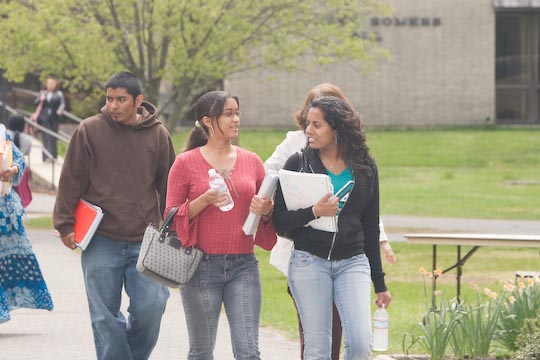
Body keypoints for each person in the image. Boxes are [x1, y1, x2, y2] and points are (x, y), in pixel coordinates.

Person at [265, 83, 396, 359]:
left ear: (336, 129)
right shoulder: (297, 163)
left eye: (316, 125)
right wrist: (313, 211)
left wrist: (380, 282)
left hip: (353, 262)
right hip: (308, 261)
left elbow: (370, 228)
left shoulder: (365, 167)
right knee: (318, 349)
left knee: (360, 345)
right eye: (308, 124)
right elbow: (281, 223)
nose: (308, 130)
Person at [53, 72, 176, 360]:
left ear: (138, 100)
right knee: (104, 319)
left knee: (152, 308)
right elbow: (71, 180)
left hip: (144, 241)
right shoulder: (89, 130)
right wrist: (65, 224)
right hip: (100, 239)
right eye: (109, 99)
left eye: (121, 99)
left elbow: (170, 185)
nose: (114, 106)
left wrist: (174, 229)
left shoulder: (158, 134)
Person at [165, 90, 277, 359]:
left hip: (243, 266)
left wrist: (266, 211)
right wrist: (202, 201)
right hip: (200, 267)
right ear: (207, 120)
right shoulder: (185, 163)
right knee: (201, 352)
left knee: (249, 352)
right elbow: (170, 217)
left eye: (237, 112)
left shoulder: (252, 161)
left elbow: (267, 215)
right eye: (228, 113)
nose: (236, 119)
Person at [0, 124, 53, 323]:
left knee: (10, 261)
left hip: (5, 212)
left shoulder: (1, 133)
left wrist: (12, 169)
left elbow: (19, 159)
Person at [34, 75, 66, 162]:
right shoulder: (42, 93)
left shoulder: (59, 94)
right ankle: (45, 157)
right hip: (44, 119)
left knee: (53, 137)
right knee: (45, 137)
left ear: (56, 84)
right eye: (49, 83)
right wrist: (41, 99)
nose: (50, 85)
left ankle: (53, 156)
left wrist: (60, 109)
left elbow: (62, 104)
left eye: (52, 83)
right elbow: (35, 103)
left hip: (54, 118)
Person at [7, 114, 33, 208]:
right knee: (19, 198)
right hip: (20, 171)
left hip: (5, 170)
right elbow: (27, 152)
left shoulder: (4, 135)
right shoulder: (27, 139)